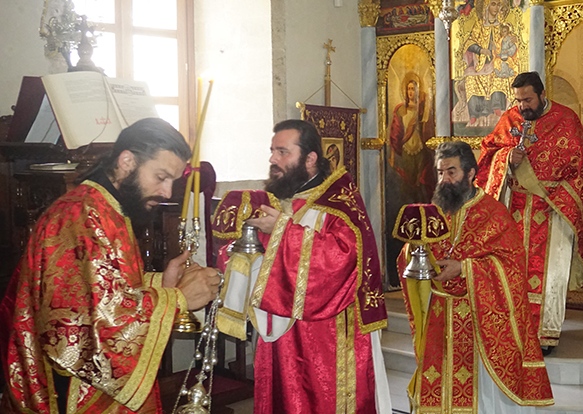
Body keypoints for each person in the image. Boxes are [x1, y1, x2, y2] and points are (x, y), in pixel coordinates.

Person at [0, 118, 222, 413]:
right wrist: (177, 299)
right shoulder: (79, 215)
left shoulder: (106, 207)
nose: (167, 192)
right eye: (161, 177)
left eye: (173, 181)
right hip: (70, 386)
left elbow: (104, 286)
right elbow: (81, 328)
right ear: (127, 161)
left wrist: (163, 282)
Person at [221, 119, 389, 413]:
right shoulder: (283, 198)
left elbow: (343, 260)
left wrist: (281, 230)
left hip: (327, 337)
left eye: (282, 152)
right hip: (281, 333)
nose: (273, 159)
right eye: (272, 151)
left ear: (310, 159)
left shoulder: (339, 201)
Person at [398, 141, 553, 412]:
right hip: (439, 315)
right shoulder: (436, 211)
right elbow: (414, 255)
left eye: (451, 172)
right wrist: (414, 249)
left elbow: (511, 268)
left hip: (477, 320)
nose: (444, 180)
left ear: (470, 173)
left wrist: (464, 268)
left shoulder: (494, 213)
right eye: (440, 172)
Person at [475, 71, 583, 352]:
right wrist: (507, 158)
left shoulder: (566, 120)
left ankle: (545, 336)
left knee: (551, 277)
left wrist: (557, 198)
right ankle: (513, 330)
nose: (522, 106)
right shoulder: (510, 120)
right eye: (518, 100)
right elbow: (488, 155)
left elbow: (580, 169)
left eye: (528, 100)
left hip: (553, 211)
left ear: (542, 95)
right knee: (512, 273)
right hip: (515, 212)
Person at [389, 74, 435, 203]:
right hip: (406, 148)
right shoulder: (401, 109)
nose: (410, 92)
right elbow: (394, 134)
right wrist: (392, 156)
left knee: (420, 180)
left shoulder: (422, 109)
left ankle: (422, 206)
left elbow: (427, 129)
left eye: (413, 89)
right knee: (408, 180)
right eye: (408, 89)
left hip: (420, 147)